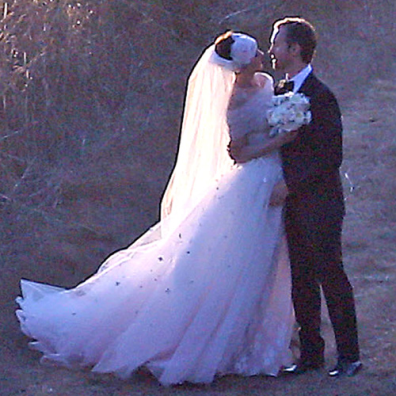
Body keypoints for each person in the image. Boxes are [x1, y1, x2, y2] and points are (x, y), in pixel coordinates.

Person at [16, 32, 297, 386]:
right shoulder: (236, 100)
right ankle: (219, 339)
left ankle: (262, 334)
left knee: (266, 258)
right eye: (255, 53)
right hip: (253, 180)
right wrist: (280, 140)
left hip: (272, 178)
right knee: (239, 261)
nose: (262, 55)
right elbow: (238, 153)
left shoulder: (267, 82)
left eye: (260, 50)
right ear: (241, 64)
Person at [230, 17, 362, 377]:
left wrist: (292, 186)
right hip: (287, 204)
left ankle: (350, 355)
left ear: (295, 49)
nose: (271, 50)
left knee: (329, 273)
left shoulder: (320, 97)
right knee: (301, 278)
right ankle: (311, 355)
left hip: (319, 202)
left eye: (276, 44)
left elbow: (330, 155)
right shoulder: (278, 91)